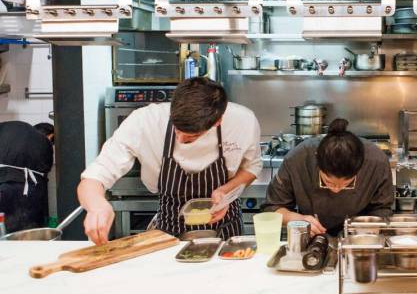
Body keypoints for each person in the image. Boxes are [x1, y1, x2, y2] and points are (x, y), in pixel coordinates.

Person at [78, 78, 261, 244]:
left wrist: (225, 192)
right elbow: (95, 176)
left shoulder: (242, 122)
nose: (180, 139)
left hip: (225, 229)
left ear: (217, 122)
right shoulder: (144, 121)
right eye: (176, 130)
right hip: (168, 230)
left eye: (191, 136)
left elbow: (252, 167)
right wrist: (97, 206)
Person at [263, 118, 394, 236]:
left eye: (346, 184)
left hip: (359, 239)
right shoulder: (298, 159)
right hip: (310, 237)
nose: (336, 190)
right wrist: (297, 220)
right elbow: (272, 208)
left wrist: (367, 229)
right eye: (329, 182)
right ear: (318, 164)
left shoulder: (377, 162)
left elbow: (382, 209)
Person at [0, 121, 54, 233]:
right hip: (22, 189)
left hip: (5, 182)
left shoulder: (12, 131)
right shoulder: (41, 142)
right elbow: (45, 168)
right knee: (23, 232)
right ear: (50, 136)